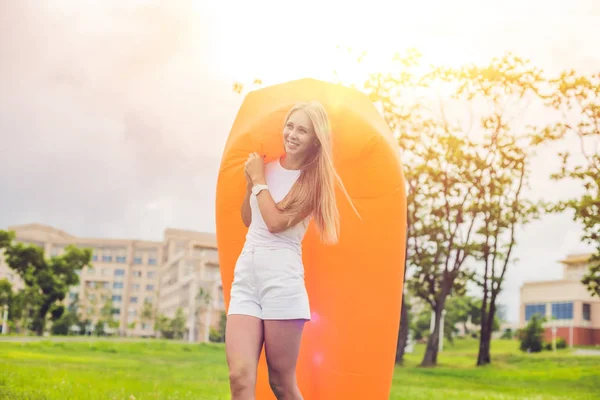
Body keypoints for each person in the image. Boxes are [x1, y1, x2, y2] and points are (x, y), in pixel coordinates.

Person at [225, 101, 354, 400]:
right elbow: (250, 219)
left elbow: (274, 223)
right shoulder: (265, 168)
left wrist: (258, 181)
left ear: (315, 139)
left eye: (303, 130)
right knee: (239, 377)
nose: (292, 134)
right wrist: (251, 186)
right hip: (246, 279)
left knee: (280, 382)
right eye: (290, 126)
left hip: (282, 284)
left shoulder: (313, 183)